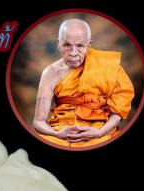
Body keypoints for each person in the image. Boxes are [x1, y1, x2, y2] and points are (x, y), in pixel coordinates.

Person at [33, 18, 135, 148]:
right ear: (58, 43)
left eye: (80, 46)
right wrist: (57, 134)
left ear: (88, 45)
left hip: (100, 127)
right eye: (67, 45)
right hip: (61, 128)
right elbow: (38, 122)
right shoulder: (50, 73)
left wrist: (100, 132)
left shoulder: (107, 65)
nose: (73, 53)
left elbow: (119, 110)